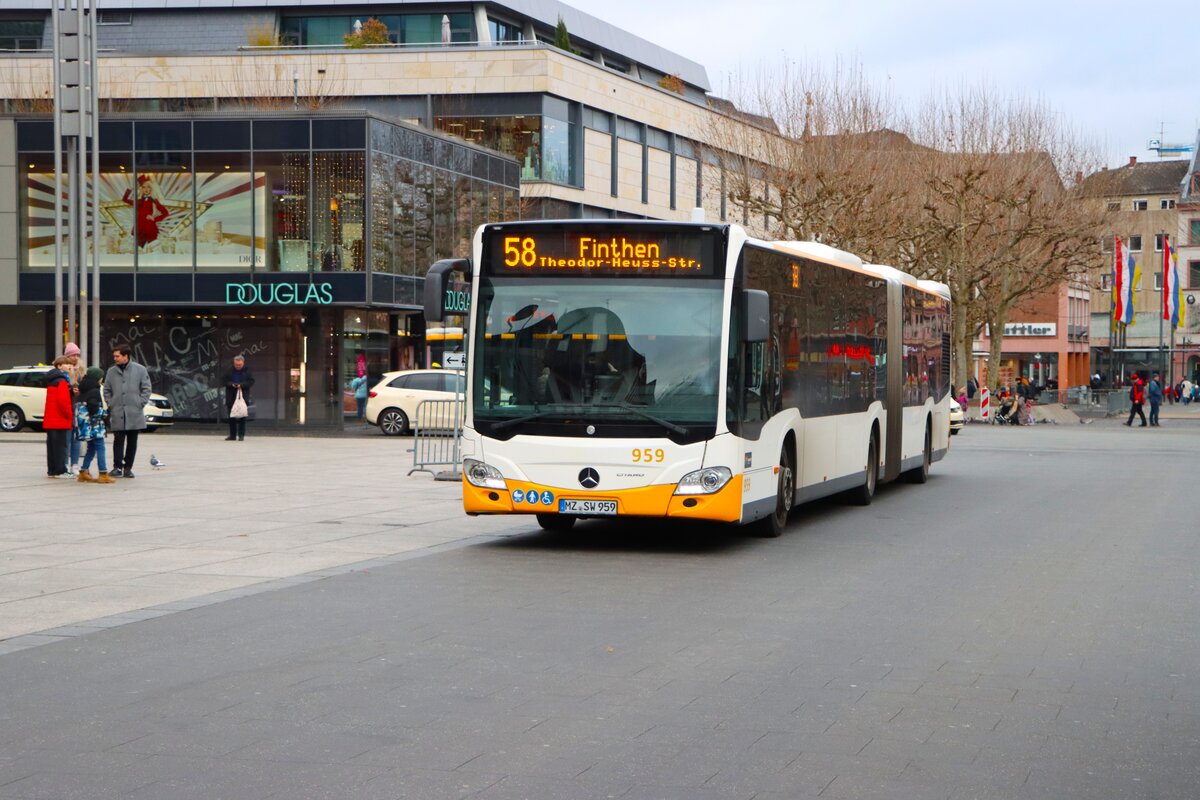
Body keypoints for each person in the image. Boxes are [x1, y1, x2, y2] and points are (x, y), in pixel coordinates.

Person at [104, 343, 152, 478]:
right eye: (114, 356)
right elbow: (106, 389)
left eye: (117, 356)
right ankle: (117, 467)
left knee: (132, 441)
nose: (115, 358)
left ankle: (128, 468)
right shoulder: (111, 371)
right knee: (118, 440)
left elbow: (147, 388)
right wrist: (111, 403)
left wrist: (140, 403)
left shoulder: (140, 370)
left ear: (126, 356)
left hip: (134, 412)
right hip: (117, 411)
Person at [75, 367, 115, 484]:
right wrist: (106, 413)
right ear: (98, 378)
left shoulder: (83, 389)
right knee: (100, 448)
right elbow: (94, 409)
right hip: (94, 426)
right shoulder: (94, 390)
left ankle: (84, 472)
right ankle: (103, 473)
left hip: (85, 426)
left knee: (91, 449)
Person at [42, 361, 73, 478]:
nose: (70, 366)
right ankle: (60, 470)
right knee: (60, 446)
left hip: (50, 419)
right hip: (60, 419)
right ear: (60, 366)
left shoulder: (51, 381)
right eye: (67, 364)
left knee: (51, 447)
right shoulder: (62, 382)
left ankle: (52, 470)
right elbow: (63, 402)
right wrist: (69, 415)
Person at [60, 343, 85, 475]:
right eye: (73, 355)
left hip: (78, 406)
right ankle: (64, 463)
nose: (75, 357)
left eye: (77, 355)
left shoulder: (81, 370)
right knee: (66, 438)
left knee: (76, 437)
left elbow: (85, 386)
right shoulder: (63, 370)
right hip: (67, 406)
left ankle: (75, 464)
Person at [221, 354, 255, 441]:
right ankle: (232, 435)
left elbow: (251, 381)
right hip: (231, 395)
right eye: (236, 365)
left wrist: (241, 385)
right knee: (231, 416)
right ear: (234, 363)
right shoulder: (229, 370)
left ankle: (241, 435)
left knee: (242, 416)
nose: (238, 366)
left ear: (243, 363)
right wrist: (231, 384)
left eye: (240, 365)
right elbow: (224, 381)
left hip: (243, 396)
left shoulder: (247, 371)